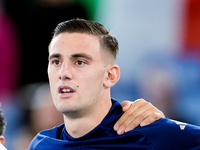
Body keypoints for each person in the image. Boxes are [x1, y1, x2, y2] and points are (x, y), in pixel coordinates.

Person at [28, 18, 200, 149]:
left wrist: (164, 129)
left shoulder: (149, 134)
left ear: (110, 76)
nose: (63, 73)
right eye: (56, 62)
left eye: (79, 62)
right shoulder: (40, 144)